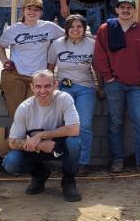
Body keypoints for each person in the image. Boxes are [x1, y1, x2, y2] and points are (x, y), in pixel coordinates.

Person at [93, 0, 140, 173]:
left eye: (129, 7)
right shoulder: (106, 29)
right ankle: (117, 160)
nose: (126, 10)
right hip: (114, 84)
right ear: (117, 10)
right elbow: (100, 56)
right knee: (115, 123)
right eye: (122, 7)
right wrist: (108, 77)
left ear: (134, 10)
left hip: (137, 84)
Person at [3, 70, 81, 202]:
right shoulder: (24, 108)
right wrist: (39, 145)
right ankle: (39, 174)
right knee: (11, 162)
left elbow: (74, 129)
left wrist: (41, 135)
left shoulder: (64, 99)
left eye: (47, 86)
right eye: (38, 86)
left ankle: (68, 180)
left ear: (55, 85)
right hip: (35, 149)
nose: (42, 91)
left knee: (74, 143)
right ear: (32, 87)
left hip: (59, 146)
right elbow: (12, 142)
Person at [0, 0, 65, 117]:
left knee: (34, 113)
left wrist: (91, 37)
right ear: (23, 10)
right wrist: (5, 61)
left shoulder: (49, 27)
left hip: (38, 77)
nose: (32, 12)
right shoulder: (13, 29)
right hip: (16, 74)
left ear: (41, 12)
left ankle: (31, 136)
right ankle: (19, 136)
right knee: (16, 113)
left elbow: (69, 35)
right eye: (29, 8)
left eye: (36, 9)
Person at [47, 15, 97, 175]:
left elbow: (98, 67)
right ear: (66, 29)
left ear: (84, 29)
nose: (75, 30)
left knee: (85, 124)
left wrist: (101, 87)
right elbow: (50, 68)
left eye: (79, 27)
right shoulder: (57, 44)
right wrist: (50, 89)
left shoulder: (92, 44)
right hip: (64, 86)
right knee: (65, 124)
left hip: (86, 87)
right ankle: (66, 160)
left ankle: (83, 162)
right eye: (72, 27)